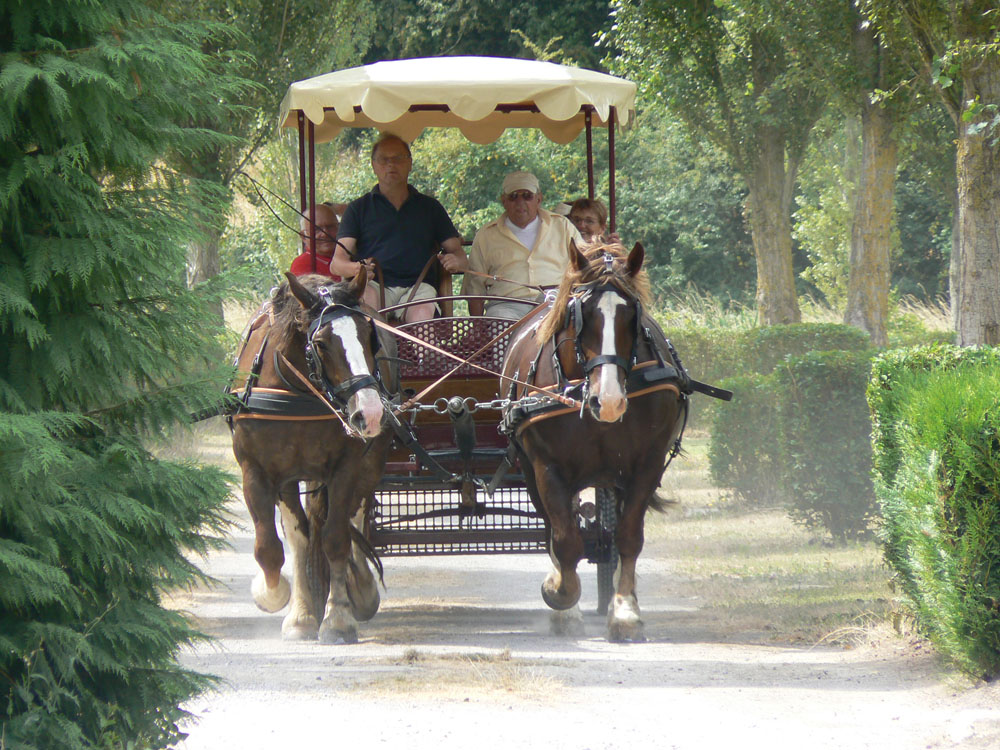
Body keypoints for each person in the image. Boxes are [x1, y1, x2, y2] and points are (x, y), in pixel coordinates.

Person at [333, 134, 468, 323]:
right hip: (375, 286)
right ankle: (376, 353)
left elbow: (460, 256)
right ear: (373, 165)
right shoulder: (358, 209)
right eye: (383, 159)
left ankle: (425, 354)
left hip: (418, 288)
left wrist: (457, 261)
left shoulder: (431, 207)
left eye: (398, 158)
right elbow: (337, 263)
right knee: (367, 307)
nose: (391, 165)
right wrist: (358, 269)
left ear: (410, 163)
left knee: (422, 317)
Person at [462, 171, 583, 319]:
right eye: (513, 197)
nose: (520, 202)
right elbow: (475, 287)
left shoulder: (562, 226)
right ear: (503, 201)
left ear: (539, 199)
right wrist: (477, 326)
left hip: (554, 301)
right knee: (498, 327)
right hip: (506, 306)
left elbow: (584, 265)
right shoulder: (486, 235)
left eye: (527, 196)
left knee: (571, 326)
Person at [289, 203, 344, 279]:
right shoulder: (302, 264)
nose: (325, 234)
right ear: (304, 237)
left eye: (330, 227)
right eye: (316, 230)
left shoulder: (349, 254)